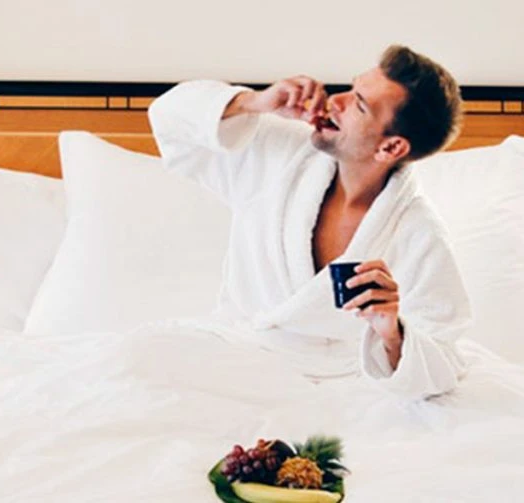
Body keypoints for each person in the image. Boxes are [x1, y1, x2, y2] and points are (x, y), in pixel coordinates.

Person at [147, 45, 472, 400]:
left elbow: (442, 360)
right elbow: (167, 119)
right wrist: (254, 102)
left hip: (347, 386)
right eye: (350, 87)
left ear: (390, 148)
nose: (336, 101)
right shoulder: (280, 154)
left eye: (358, 105)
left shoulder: (417, 232)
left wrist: (393, 333)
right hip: (239, 359)